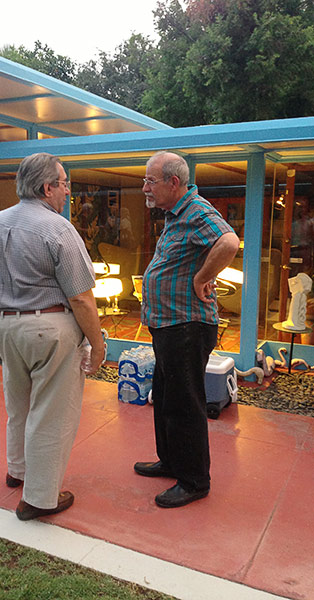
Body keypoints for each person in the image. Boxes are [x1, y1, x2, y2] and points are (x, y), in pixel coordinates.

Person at [0, 152, 105, 521]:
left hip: (3, 326)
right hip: (49, 328)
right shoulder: (58, 228)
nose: (67, 192)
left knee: (18, 404)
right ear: (47, 187)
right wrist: (97, 345)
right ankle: (39, 497)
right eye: (64, 184)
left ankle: (17, 471)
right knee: (52, 412)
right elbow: (80, 296)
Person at [134, 151, 240, 508]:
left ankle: (195, 480)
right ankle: (172, 461)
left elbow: (228, 242)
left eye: (150, 180)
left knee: (185, 404)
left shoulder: (196, 211)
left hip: (187, 326)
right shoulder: (174, 214)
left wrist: (203, 277)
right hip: (169, 324)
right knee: (164, 398)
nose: (145, 187)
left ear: (173, 183)